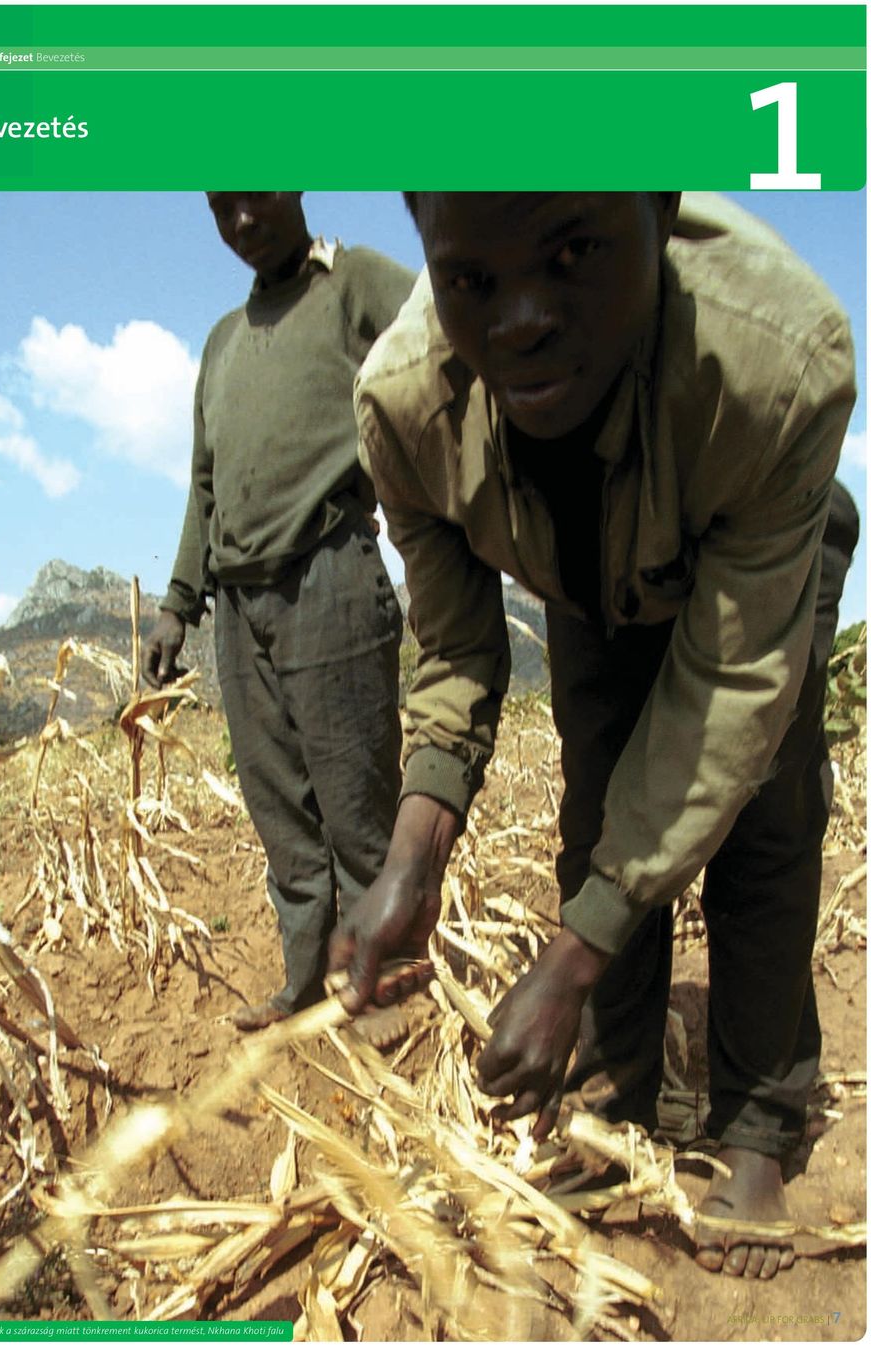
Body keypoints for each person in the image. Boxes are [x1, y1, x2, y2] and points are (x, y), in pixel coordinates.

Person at [329, 192, 859, 1279]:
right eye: (472, 282)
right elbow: (459, 652)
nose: (522, 316)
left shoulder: (774, 367)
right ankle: (625, 1091)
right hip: (588, 580)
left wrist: (569, 960)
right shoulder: (404, 408)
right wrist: (412, 861)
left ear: (657, 214)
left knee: (762, 820)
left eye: (574, 255)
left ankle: (758, 1116)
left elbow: (730, 692)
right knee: (600, 809)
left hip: (748, 558)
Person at [143, 192, 414, 1032]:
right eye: (220, 212)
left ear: (294, 184)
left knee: (357, 806)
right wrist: (177, 604)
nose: (240, 224)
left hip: (328, 573)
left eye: (253, 197)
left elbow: (448, 343)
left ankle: (387, 989)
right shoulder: (222, 341)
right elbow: (204, 484)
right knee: (282, 815)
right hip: (239, 605)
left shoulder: (356, 284)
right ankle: (306, 983)